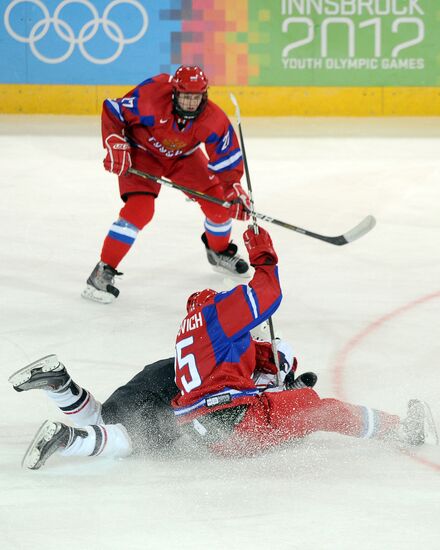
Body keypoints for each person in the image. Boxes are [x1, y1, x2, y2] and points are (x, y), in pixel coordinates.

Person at [171, 225, 438, 456]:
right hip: (236, 423)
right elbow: (268, 295)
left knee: (276, 396)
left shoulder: (190, 332)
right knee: (319, 408)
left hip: (205, 434)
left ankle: (279, 396)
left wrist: (273, 359)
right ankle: (399, 429)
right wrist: (263, 255)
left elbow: (241, 361)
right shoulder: (216, 313)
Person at [82, 64, 252, 304]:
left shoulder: (213, 119)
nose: (191, 103)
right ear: (174, 93)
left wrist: (234, 189)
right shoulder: (152, 97)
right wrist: (115, 141)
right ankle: (101, 272)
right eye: (186, 96)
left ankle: (219, 251)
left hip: (184, 158)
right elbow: (114, 109)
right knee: (139, 211)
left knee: (221, 206)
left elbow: (226, 160)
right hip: (142, 153)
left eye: (196, 97)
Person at [9, 344, 314, 470]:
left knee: (105, 418)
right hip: (164, 402)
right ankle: (68, 438)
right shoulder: (248, 378)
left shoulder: (229, 350)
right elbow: (253, 406)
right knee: (134, 441)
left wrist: (286, 386)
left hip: (151, 379)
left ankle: (59, 383)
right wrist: (290, 391)